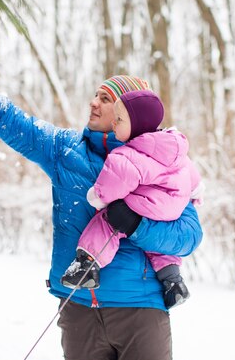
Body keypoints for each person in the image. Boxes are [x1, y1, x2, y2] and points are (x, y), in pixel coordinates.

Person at [0, 52, 203, 360]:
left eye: (106, 99)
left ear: (128, 112)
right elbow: (9, 121)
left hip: (139, 309)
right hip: (79, 309)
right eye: (95, 95)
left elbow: (189, 235)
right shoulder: (65, 150)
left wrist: (137, 226)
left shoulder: (164, 164)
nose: (94, 103)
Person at [61, 89, 204, 310]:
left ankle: (87, 265)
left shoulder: (127, 155)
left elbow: (113, 183)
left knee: (107, 222)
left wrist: (98, 198)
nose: (115, 124)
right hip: (171, 208)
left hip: (144, 205)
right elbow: (191, 175)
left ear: (137, 125)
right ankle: (172, 280)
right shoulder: (175, 149)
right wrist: (195, 193)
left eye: (119, 120)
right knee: (157, 246)